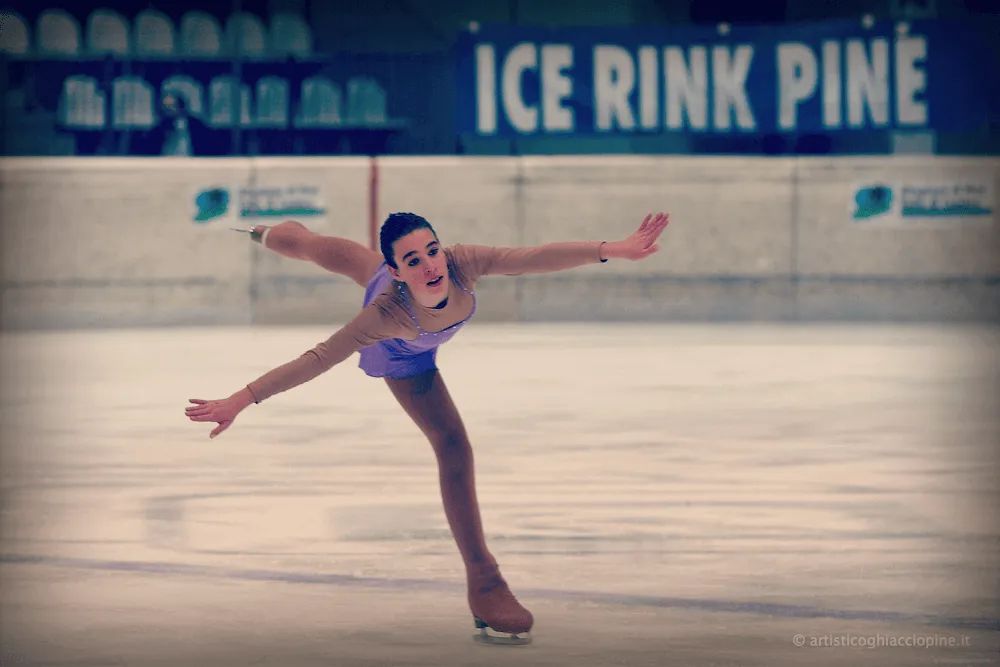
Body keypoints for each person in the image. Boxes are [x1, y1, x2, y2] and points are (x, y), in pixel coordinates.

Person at [185, 211, 670, 644]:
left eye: (432, 251)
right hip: (402, 356)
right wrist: (241, 399)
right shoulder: (382, 315)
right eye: (413, 260)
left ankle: (271, 231)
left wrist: (613, 250)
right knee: (453, 444)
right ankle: (485, 582)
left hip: (407, 316)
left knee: (323, 247)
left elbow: (533, 256)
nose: (431, 266)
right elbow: (318, 359)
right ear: (396, 272)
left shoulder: (460, 264)